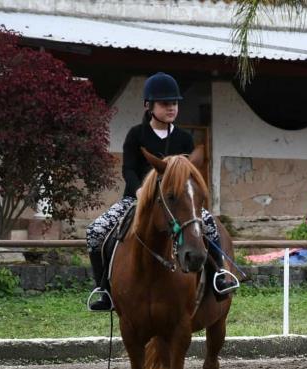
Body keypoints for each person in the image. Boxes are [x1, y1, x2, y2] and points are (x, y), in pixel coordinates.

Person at [86, 72, 237, 311]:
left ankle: (220, 276)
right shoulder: (136, 134)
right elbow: (128, 169)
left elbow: (187, 175)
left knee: (208, 225)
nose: (172, 108)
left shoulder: (184, 138)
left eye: (174, 103)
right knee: (95, 232)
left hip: (175, 202)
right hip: (136, 200)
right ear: (149, 105)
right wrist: (138, 190)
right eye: (165, 103)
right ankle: (104, 288)